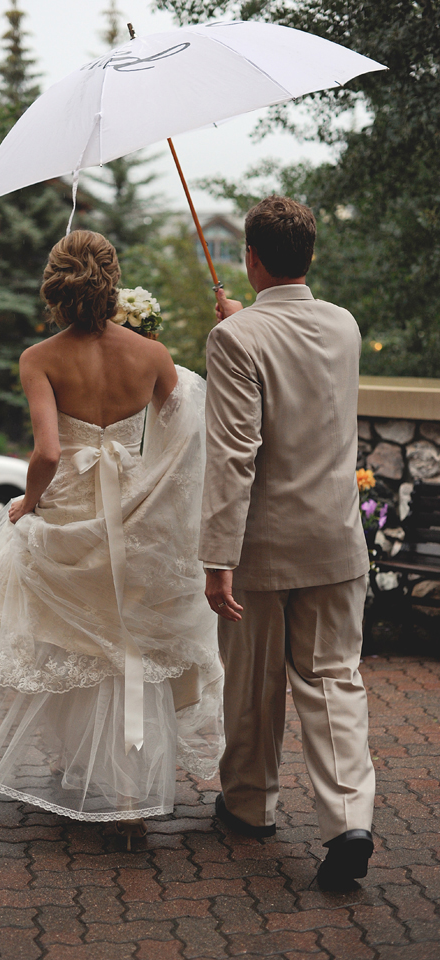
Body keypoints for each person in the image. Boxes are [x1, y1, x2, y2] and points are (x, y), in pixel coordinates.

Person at [0, 230, 223, 847]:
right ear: (114, 282)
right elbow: (190, 432)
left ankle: (83, 770)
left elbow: (46, 452)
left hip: (70, 516)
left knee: (72, 645)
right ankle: (131, 799)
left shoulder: (39, 358)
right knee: (131, 649)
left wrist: (28, 504)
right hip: (136, 521)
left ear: (55, 287)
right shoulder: (152, 357)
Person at [200, 196, 375, 891]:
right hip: (336, 541)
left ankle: (248, 805)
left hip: (262, 548)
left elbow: (233, 455)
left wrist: (217, 558)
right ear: (309, 256)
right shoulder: (343, 325)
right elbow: (294, 349)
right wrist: (242, 325)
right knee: (333, 681)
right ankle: (349, 822)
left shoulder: (235, 340)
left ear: (249, 259)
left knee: (252, 683)